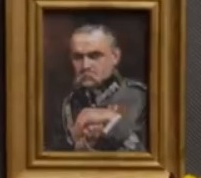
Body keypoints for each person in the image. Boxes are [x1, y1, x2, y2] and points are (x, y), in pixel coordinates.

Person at [55, 24, 148, 152]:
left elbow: (158, 158)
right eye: (78, 57)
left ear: (115, 57)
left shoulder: (140, 98)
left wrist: (112, 121)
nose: (85, 65)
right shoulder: (68, 104)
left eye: (94, 56)